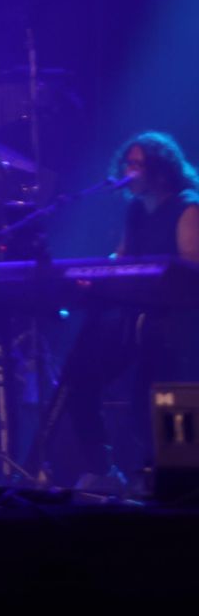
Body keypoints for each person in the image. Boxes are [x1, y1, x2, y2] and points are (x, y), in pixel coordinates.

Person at [52, 132, 199, 486]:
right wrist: (98, 273)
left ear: (161, 171)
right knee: (79, 378)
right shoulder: (134, 210)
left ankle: (176, 484)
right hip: (134, 319)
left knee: (155, 402)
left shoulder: (188, 207)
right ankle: (102, 470)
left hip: (174, 326)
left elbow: (190, 269)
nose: (129, 172)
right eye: (127, 164)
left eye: (138, 165)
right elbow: (123, 257)